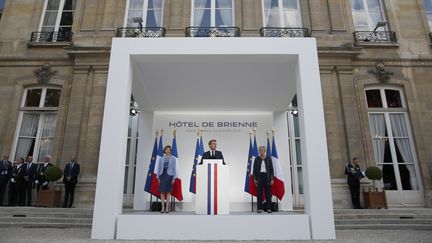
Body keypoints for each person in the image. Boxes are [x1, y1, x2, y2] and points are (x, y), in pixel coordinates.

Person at [253, 146, 274, 213]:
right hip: (259, 177)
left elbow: (271, 170)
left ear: (265, 151)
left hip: (267, 177)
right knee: (259, 193)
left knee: (268, 193)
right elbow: (254, 170)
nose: (260, 151)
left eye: (262, 150)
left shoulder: (268, 159)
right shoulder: (257, 159)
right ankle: (259, 208)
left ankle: (269, 208)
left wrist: (272, 179)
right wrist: (254, 179)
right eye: (259, 150)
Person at [156, 145, 176, 213]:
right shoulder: (161, 158)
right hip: (162, 175)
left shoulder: (173, 158)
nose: (168, 151)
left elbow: (174, 168)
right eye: (166, 149)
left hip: (169, 175)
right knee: (162, 192)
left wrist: (174, 178)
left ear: (170, 151)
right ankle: (162, 208)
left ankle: (167, 208)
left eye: (169, 150)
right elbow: (158, 168)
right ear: (164, 150)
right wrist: (158, 177)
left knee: (168, 192)